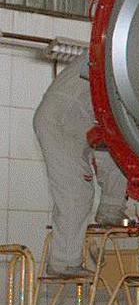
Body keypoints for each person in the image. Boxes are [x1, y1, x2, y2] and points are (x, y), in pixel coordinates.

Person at [33, 55, 129, 277]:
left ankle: (110, 211)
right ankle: (63, 261)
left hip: (80, 123)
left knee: (118, 159)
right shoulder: (117, 54)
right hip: (61, 125)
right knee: (76, 193)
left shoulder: (116, 51)